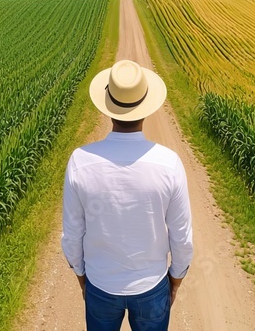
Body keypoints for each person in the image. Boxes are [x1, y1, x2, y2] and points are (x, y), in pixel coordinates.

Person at [61, 59, 193, 331]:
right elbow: (182, 236)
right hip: (151, 286)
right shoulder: (169, 164)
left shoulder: (80, 161)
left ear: (108, 109)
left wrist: (81, 277)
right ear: (146, 110)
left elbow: (72, 233)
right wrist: (175, 279)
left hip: (100, 284)